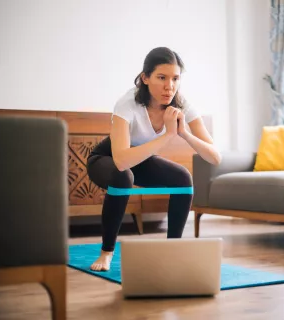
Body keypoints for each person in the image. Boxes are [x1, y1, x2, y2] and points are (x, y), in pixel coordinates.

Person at [86, 47, 222, 271]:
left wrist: (184, 134)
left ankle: (172, 251)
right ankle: (107, 252)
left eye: (175, 79)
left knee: (182, 178)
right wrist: (168, 135)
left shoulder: (182, 104)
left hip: (138, 158)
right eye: (161, 77)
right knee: (123, 177)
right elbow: (120, 161)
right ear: (145, 78)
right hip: (106, 158)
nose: (169, 86)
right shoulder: (127, 103)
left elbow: (214, 157)